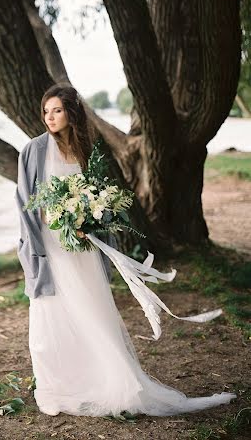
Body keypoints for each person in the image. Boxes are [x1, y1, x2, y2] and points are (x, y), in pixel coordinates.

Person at [15, 83, 236, 417]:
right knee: (49, 314)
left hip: (82, 246)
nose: (49, 117)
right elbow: (26, 202)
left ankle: (106, 380)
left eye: (57, 110)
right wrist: (50, 232)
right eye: (46, 111)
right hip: (51, 248)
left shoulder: (86, 151)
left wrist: (86, 222)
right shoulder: (33, 150)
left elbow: (94, 196)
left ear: (72, 113)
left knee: (92, 311)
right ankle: (54, 387)